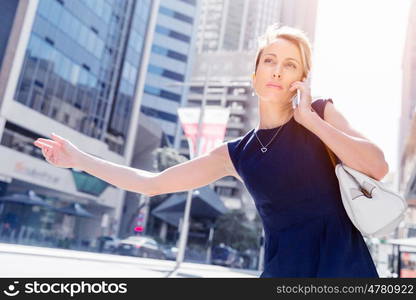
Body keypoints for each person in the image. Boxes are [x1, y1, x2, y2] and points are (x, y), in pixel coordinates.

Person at [33, 23, 389, 277]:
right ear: (254, 75)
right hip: (285, 271)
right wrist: (78, 159)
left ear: (301, 78)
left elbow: (377, 166)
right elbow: (151, 183)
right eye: (270, 60)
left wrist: (310, 121)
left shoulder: (321, 114)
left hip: (346, 268)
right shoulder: (236, 153)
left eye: (290, 64)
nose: (278, 70)